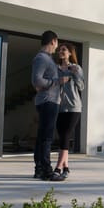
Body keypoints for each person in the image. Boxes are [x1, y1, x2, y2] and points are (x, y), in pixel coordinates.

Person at [31, 30, 66, 181]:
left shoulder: (47, 59)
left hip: (48, 100)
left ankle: (39, 170)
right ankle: (46, 171)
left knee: (42, 137)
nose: (57, 47)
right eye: (57, 43)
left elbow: (40, 82)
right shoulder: (42, 58)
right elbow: (37, 81)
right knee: (46, 138)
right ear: (53, 41)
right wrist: (57, 82)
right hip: (48, 101)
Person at [53, 42, 84, 179]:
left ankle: (58, 168)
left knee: (66, 135)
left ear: (70, 53)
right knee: (62, 137)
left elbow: (81, 86)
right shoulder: (56, 68)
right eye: (60, 49)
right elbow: (52, 84)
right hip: (59, 107)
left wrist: (74, 74)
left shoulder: (76, 67)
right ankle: (66, 167)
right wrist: (59, 80)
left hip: (73, 107)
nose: (61, 51)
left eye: (64, 49)